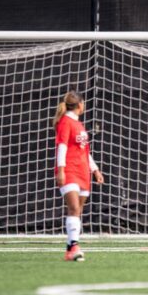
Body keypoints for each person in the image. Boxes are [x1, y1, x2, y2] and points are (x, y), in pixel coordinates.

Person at [53, 90, 104, 262]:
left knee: (77, 211)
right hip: (70, 170)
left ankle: (70, 248)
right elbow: (62, 147)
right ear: (80, 104)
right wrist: (60, 170)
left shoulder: (79, 124)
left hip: (83, 171)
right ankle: (75, 246)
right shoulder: (65, 122)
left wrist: (95, 169)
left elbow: (85, 151)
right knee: (74, 208)